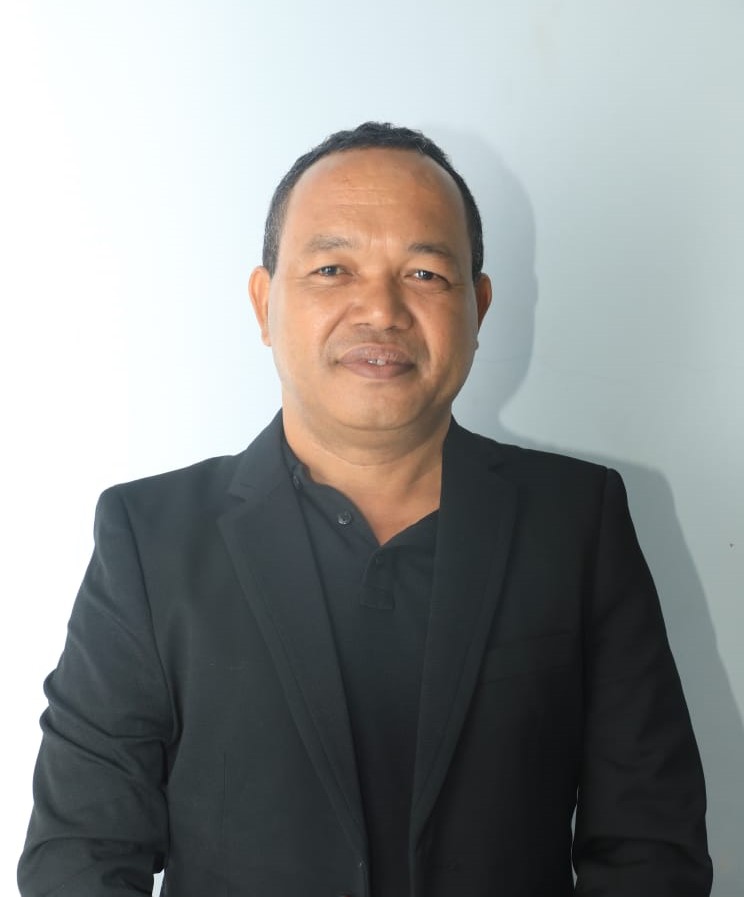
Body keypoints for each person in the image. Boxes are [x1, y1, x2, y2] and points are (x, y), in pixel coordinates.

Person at [18, 122, 712, 897]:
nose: (380, 310)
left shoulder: (577, 523)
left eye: (424, 272)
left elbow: (651, 845)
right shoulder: (150, 539)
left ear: (478, 306)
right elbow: (80, 854)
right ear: (265, 302)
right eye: (332, 268)